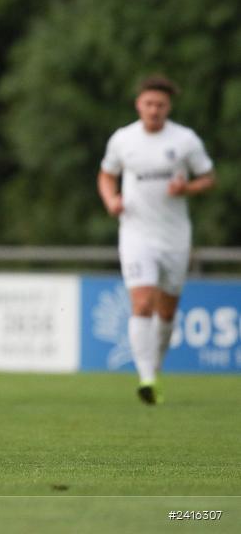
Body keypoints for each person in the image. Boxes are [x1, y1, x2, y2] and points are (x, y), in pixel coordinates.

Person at [98, 75, 215, 405]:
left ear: (169, 107)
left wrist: (188, 188)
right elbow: (107, 174)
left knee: (166, 312)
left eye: (160, 105)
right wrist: (111, 201)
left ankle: (155, 367)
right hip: (135, 232)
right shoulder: (123, 139)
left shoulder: (185, 140)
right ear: (139, 104)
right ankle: (146, 378)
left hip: (175, 236)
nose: (154, 110)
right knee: (142, 302)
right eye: (149, 104)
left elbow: (208, 178)